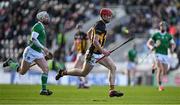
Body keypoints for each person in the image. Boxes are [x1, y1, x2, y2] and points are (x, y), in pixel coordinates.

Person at [55, 8, 124, 97]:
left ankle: (112, 90)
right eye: (108, 16)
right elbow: (95, 41)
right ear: (103, 16)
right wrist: (103, 50)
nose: (110, 17)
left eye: (110, 16)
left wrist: (99, 48)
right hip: (93, 54)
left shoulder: (100, 24)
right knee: (83, 73)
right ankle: (63, 73)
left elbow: (89, 33)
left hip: (99, 53)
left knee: (113, 67)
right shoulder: (100, 25)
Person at [3, 11, 53, 95]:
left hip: (38, 52)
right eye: (45, 17)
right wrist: (43, 48)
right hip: (30, 52)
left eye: (47, 17)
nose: (47, 18)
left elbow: (39, 41)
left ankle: (43, 90)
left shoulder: (42, 27)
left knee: (46, 69)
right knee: (22, 72)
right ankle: (10, 62)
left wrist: (44, 53)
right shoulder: (37, 26)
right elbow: (33, 39)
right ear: (41, 18)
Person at [147, 21, 176, 91]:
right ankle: (160, 86)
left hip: (165, 54)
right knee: (160, 69)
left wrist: (172, 49)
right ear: (159, 27)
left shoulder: (169, 36)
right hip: (157, 53)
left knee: (165, 71)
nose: (162, 27)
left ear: (166, 27)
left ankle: (154, 66)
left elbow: (173, 44)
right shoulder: (156, 35)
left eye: (164, 26)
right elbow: (148, 43)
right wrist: (151, 47)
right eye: (161, 26)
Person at [70, 23, 90, 89]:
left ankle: (83, 82)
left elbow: (88, 43)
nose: (79, 29)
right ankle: (84, 82)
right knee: (80, 69)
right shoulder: (76, 35)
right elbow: (75, 44)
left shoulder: (84, 34)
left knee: (77, 68)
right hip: (79, 53)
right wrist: (72, 50)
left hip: (83, 53)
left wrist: (87, 51)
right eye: (78, 28)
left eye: (80, 28)